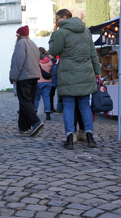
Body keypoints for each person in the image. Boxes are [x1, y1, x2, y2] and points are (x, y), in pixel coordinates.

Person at [49, 9, 100, 149]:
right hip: (85, 73)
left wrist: (53, 33)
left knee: (69, 106)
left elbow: (53, 51)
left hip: (68, 75)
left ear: (64, 18)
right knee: (84, 106)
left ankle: (70, 138)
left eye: (57, 19)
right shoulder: (86, 31)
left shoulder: (61, 32)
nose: (56, 22)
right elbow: (93, 54)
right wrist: (98, 71)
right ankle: (90, 137)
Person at [9, 25, 44, 136]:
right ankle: (24, 127)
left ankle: (36, 122)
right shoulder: (33, 44)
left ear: (21, 35)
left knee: (24, 102)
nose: (16, 35)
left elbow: (18, 61)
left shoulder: (21, 43)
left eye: (17, 33)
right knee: (29, 102)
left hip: (24, 77)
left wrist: (13, 77)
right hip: (34, 77)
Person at [34, 47, 53, 120]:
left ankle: (35, 113)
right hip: (48, 82)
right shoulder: (49, 61)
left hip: (38, 82)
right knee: (46, 98)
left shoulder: (36, 61)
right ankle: (48, 114)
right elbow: (52, 73)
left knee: (36, 98)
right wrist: (52, 82)